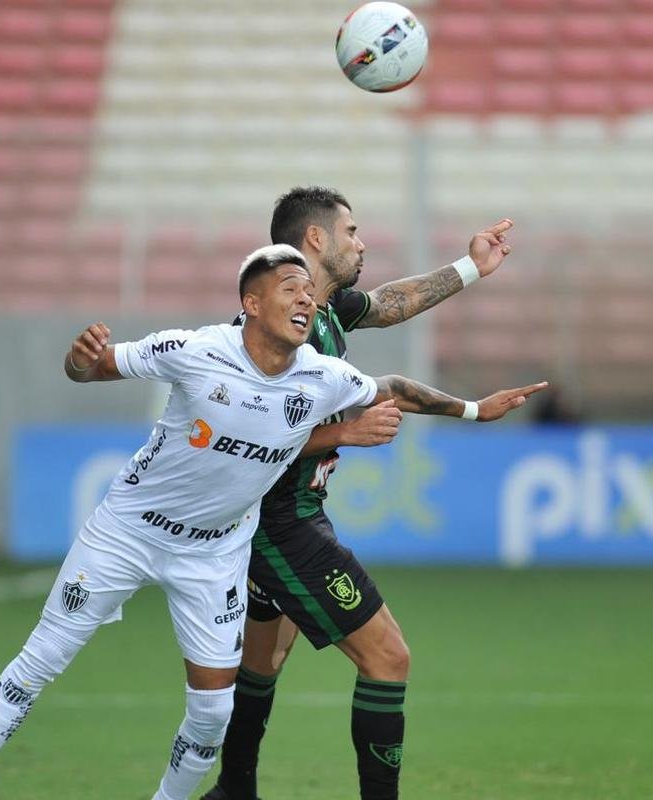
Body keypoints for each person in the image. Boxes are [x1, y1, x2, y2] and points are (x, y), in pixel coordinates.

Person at [0, 243, 546, 800]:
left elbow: (393, 390)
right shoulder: (195, 351)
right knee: (41, 659)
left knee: (211, 714)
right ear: (250, 304)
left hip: (215, 554)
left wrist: (473, 410)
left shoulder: (323, 375)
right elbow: (93, 368)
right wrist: (79, 361)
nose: (306, 299)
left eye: (309, 292)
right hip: (128, 531)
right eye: (290, 288)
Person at [204, 187, 532, 800]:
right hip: (279, 522)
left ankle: (233, 790)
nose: (362, 242)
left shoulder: (322, 313)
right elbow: (244, 434)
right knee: (388, 657)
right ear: (316, 240)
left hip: (286, 515)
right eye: (351, 231)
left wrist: (470, 268)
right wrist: (344, 433)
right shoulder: (270, 333)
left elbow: (390, 306)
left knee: (262, 662)